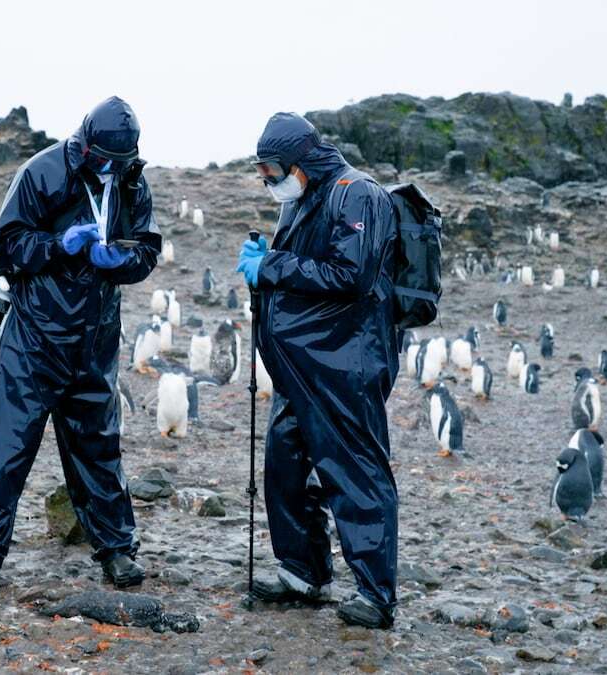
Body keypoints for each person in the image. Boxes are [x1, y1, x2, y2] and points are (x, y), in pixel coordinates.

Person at [0, 96, 161, 594]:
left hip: (95, 338)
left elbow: (147, 251)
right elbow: (5, 246)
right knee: (8, 447)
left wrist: (122, 263)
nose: (109, 168)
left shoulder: (133, 185)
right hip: (36, 338)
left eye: (118, 162)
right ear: (85, 145)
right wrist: (56, 245)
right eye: (101, 159)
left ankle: (116, 550)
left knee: (99, 448)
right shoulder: (42, 172)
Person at [236, 112, 401, 629]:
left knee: (354, 472)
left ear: (299, 161)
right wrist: (270, 261)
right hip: (305, 364)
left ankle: (376, 595)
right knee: (285, 462)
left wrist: (274, 267)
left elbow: (351, 274)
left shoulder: (359, 195)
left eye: (271, 169)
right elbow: (307, 271)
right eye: (261, 170)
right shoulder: (305, 197)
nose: (267, 179)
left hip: (347, 361)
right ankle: (302, 572)